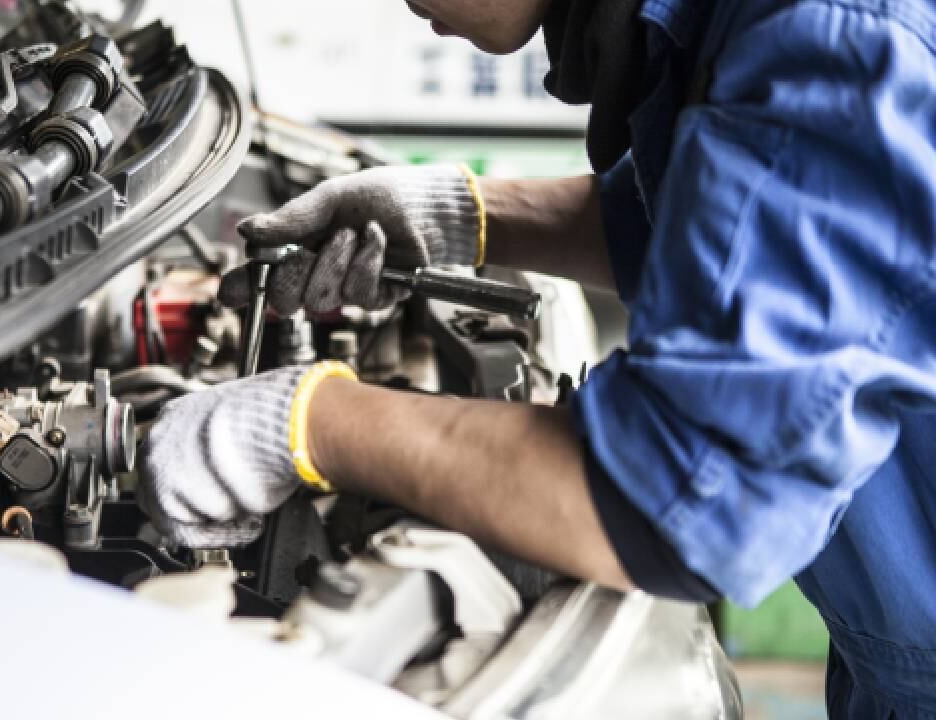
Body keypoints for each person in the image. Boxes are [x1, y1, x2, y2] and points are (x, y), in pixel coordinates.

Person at [137, 0, 936, 716]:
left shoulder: (832, 31)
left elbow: (675, 494)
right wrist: (460, 215)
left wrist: (305, 424)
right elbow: (714, 232)